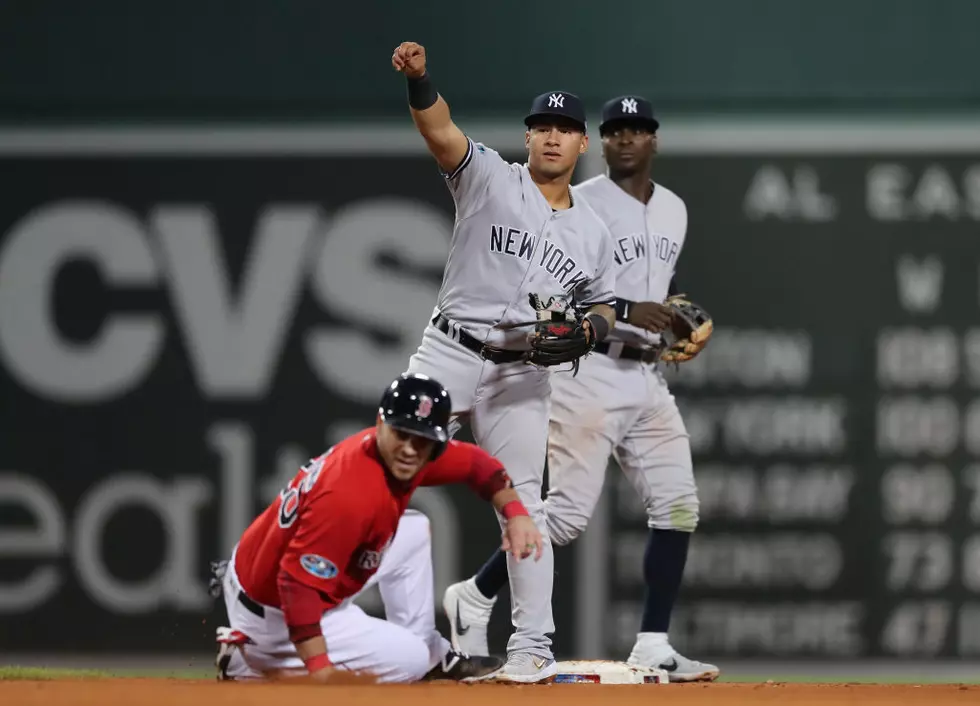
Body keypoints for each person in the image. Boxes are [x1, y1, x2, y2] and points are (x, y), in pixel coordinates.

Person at [441, 96, 720, 682]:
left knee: (679, 503)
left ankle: (652, 643)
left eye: (637, 129)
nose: (625, 138)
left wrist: (678, 315)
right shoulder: (579, 203)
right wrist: (626, 309)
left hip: (647, 374)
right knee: (561, 517)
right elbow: (564, 295)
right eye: (615, 129)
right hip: (588, 370)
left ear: (653, 140)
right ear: (601, 140)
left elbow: (655, 287)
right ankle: (475, 595)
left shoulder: (676, 209)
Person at [390, 41, 618, 684]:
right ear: (528, 137)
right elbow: (440, 131)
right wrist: (420, 79)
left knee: (525, 504)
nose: (553, 137)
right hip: (451, 349)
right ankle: (344, 622)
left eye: (567, 129)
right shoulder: (489, 175)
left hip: (522, 373)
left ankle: (532, 646)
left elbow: (600, 306)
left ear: (582, 147)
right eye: (543, 126)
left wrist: (589, 332)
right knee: (383, 474)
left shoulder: (593, 233)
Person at [210, 372, 544, 684]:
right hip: (276, 611)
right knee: (412, 661)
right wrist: (321, 672)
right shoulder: (349, 496)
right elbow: (297, 587)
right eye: (402, 433)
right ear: (381, 422)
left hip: (260, 567)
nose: (411, 449)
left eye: (424, 440)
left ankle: (433, 655)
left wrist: (516, 514)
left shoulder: (394, 454)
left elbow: (477, 465)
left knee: (414, 529)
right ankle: (250, 662)